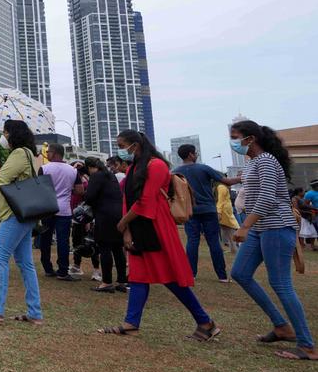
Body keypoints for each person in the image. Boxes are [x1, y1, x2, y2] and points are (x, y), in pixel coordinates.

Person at [97, 130, 220, 341]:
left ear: (135, 145)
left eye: (121, 145)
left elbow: (147, 200)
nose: (120, 150)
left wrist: (124, 222)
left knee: (167, 276)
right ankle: (131, 323)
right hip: (139, 225)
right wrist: (126, 229)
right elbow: (128, 199)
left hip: (154, 226)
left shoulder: (156, 166)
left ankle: (205, 321)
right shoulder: (135, 168)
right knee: (138, 275)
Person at [227, 120, 315, 361]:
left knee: (281, 284)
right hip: (261, 228)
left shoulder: (266, 161)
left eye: (236, 137)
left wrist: (245, 225)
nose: (233, 142)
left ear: (250, 139)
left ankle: (308, 345)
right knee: (241, 273)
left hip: (275, 227)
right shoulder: (255, 162)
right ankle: (281, 326)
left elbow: (266, 197)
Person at [0, 120, 43, 324]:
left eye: (5, 132)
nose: (3, 136)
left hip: (13, 213)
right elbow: (1, 176)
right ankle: (34, 312)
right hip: (24, 214)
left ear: (13, 134)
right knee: (25, 263)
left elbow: (0, 181)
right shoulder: (28, 154)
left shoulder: (19, 154)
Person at [172, 144, 241, 283]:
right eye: (195, 152)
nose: (196, 155)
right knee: (214, 242)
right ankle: (222, 276)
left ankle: (191, 274)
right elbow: (226, 181)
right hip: (208, 209)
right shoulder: (203, 168)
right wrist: (242, 178)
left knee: (192, 241)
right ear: (191, 154)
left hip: (190, 211)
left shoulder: (175, 172)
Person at [36, 143, 81, 281]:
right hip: (64, 209)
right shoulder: (72, 171)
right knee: (63, 241)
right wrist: (68, 189)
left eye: (48, 152)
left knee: (46, 239)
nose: (47, 154)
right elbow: (80, 190)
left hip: (48, 207)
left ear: (55, 153)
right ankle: (63, 270)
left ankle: (47, 268)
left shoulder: (44, 168)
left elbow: (39, 188)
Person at [81, 156, 127, 292]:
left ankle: (106, 282)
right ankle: (121, 281)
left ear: (90, 167)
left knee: (105, 247)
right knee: (118, 248)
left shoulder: (96, 176)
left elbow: (89, 197)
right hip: (118, 213)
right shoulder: (110, 176)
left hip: (104, 214)